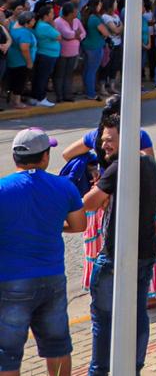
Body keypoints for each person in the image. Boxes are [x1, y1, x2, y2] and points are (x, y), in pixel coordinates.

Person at [0, 128, 86, 376]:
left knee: (7, 354)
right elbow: (80, 224)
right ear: (45, 157)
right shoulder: (64, 186)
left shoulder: (3, 189)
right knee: (57, 346)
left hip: (10, 281)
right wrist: (51, 225)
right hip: (52, 278)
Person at [83, 117, 156, 376]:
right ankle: (133, 368)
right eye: (103, 139)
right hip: (146, 251)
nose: (104, 145)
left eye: (110, 140)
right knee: (137, 313)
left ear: (126, 140)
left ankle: (99, 371)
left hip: (118, 255)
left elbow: (90, 203)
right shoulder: (148, 162)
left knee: (103, 318)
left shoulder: (121, 166)